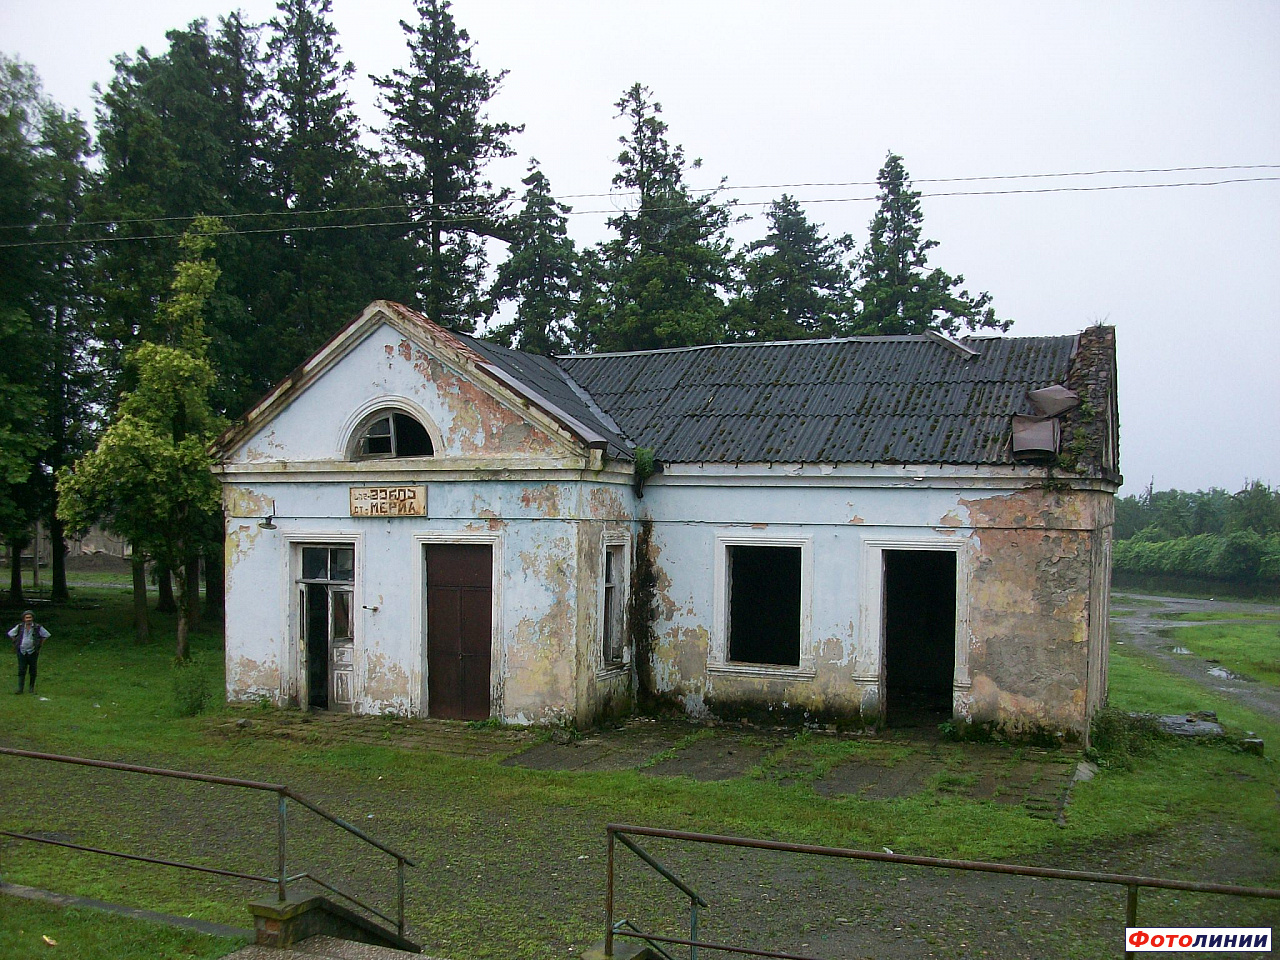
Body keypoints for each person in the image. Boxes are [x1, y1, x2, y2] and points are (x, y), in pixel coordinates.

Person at [9, 609, 50, 695]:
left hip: (33, 651)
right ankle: (20, 689)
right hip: (22, 650)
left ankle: (31, 688)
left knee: (33, 670)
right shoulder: (20, 626)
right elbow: (11, 633)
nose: (28, 619)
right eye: (27, 617)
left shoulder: (37, 627)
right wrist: (16, 642)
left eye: (30, 617)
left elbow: (46, 635)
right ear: (24, 618)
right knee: (21, 669)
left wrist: (39, 644)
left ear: (32, 618)